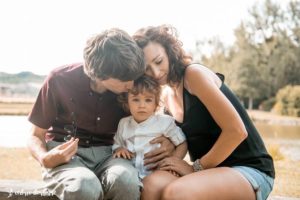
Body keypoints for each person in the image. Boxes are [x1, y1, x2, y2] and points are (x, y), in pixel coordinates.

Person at [133, 24, 275, 200]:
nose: (155, 72)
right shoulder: (167, 96)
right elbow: (182, 138)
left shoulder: (194, 75)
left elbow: (237, 131)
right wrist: (170, 145)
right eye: (147, 68)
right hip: (210, 173)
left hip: (248, 169)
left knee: (176, 193)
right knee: (149, 187)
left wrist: (195, 168)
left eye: (159, 61)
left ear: (169, 52)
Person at [27, 28, 160, 200]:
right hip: (66, 154)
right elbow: (35, 134)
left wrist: (169, 141)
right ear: (101, 75)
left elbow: (152, 116)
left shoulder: (130, 80)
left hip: (110, 154)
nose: (131, 85)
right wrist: (45, 158)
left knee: (126, 181)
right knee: (84, 186)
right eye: (124, 80)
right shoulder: (59, 79)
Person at [112, 75, 187, 179]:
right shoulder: (124, 123)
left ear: (156, 104)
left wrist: (173, 162)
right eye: (136, 100)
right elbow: (117, 143)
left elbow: (182, 143)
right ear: (127, 102)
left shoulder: (164, 122)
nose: (142, 105)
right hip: (131, 176)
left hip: (158, 173)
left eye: (148, 100)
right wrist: (119, 149)